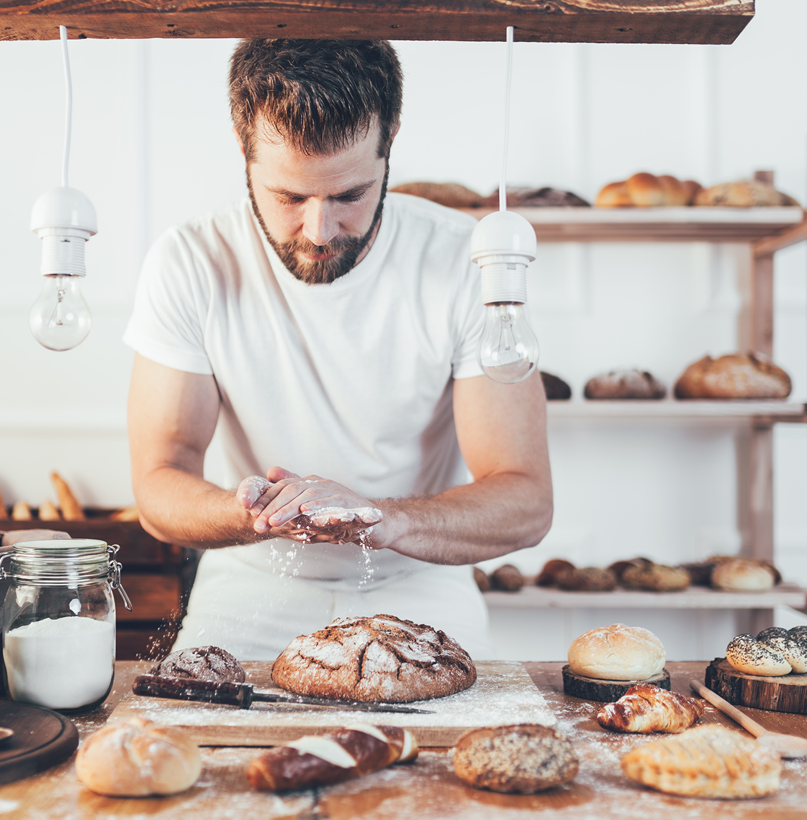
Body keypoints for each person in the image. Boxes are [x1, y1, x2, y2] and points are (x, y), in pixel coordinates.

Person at [123, 39, 551, 660]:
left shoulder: (466, 259)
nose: (320, 232)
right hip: (251, 583)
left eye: (349, 195)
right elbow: (160, 484)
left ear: (391, 140)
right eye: (290, 198)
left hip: (421, 581)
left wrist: (386, 520)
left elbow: (526, 497)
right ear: (244, 151)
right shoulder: (191, 260)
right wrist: (258, 514)